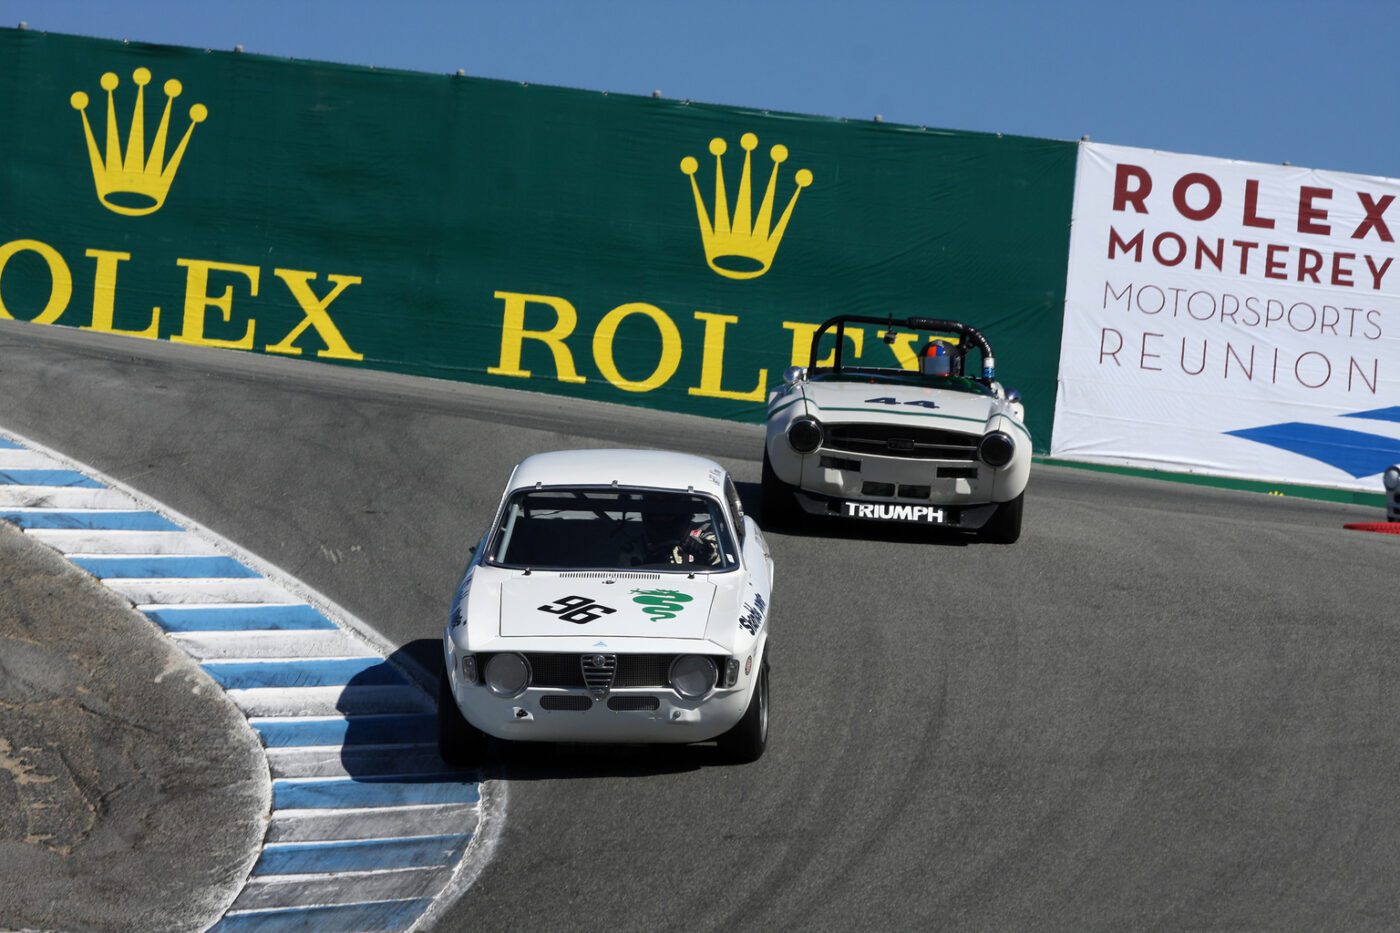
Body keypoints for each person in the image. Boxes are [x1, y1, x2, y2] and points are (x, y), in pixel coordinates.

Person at [628, 500, 719, 566]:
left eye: (670, 517)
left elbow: (719, 557)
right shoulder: (637, 544)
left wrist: (701, 549)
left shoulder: (702, 535)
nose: (663, 521)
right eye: (657, 518)